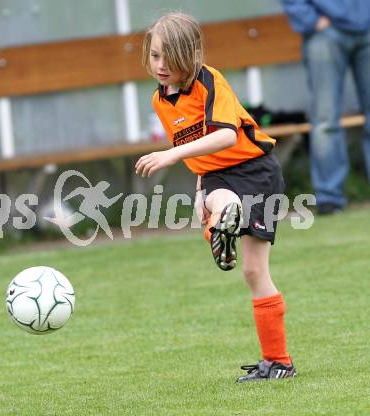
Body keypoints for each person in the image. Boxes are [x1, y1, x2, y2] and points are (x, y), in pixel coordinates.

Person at [136, 12, 296, 382]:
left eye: (169, 57)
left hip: (255, 171)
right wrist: (197, 186)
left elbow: (225, 135)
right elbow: (198, 151)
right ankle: (278, 362)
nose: (160, 66)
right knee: (241, 257)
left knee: (254, 266)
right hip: (215, 175)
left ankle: (278, 361)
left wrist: (170, 155)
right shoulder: (161, 100)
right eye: (155, 55)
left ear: (190, 55)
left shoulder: (210, 81)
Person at [282, 0, 370, 215]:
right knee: (325, 119)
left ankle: (330, 196)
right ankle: (329, 198)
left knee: (325, 120)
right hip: (324, 32)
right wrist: (311, 20)